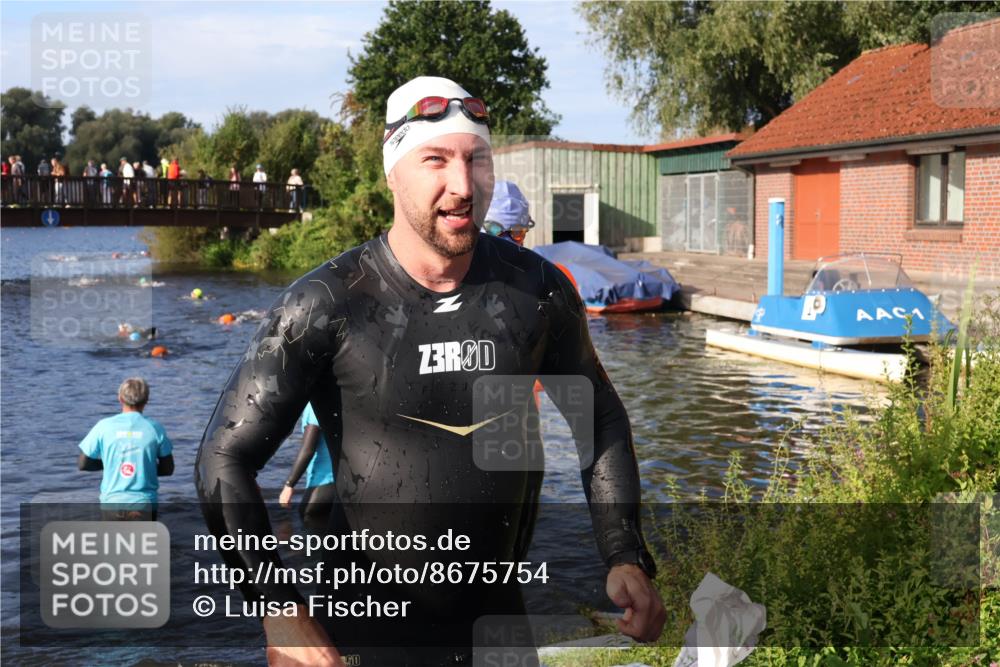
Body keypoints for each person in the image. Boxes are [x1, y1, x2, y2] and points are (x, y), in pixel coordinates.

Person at [195, 76, 664, 667]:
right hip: (365, 637)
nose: (463, 186)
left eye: (477, 160)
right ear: (394, 171)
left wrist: (623, 553)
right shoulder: (327, 303)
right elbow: (222, 458)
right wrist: (279, 606)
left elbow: (598, 415)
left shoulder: (535, 291)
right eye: (436, 160)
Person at [78, 377, 175, 520]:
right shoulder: (155, 429)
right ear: (146, 400)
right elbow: (168, 469)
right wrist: (145, 467)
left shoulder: (103, 426)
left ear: (120, 398)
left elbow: (83, 464)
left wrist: (109, 465)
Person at [279, 403, 336, 530]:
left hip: (322, 483)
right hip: (340, 481)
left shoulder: (314, 406)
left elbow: (307, 450)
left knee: (306, 517)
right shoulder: (335, 398)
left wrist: (289, 485)